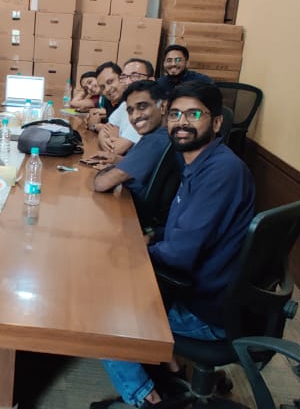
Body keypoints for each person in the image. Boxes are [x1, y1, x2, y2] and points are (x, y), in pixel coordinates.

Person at [94, 81, 256, 409]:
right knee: (110, 273)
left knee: (98, 308)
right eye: (175, 115)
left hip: (206, 309)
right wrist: (151, 239)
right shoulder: (199, 162)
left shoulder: (221, 171)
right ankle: (169, 370)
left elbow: (180, 256)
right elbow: (182, 229)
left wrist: (136, 253)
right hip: (209, 291)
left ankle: (147, 399)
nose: (182, 122)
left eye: (194, 114)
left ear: (218, 122)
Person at [88, 80, 169, 203]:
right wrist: (119, 160)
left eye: (142, 107)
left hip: (134, 214)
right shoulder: (164, 135)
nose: (135, 116)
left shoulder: (154, 140)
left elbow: (101, 184)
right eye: (130, 111)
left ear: (162, 107)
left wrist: (112, 169)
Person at [99, 58, 156, 155]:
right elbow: (103, 131)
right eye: (124, 77)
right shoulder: (125, 105)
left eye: (135, 76)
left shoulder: (148, 111)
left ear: (151, 80)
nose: (128, 82)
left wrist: (114, 139)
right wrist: (105, 138)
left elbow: (117, 149)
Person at [85, 61, 123, 132]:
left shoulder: (130, 101)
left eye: (110, 82)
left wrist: (95, 126)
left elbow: (122, 132)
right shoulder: (108, 101)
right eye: (102, 87)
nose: (107, 89)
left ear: (122, 78)